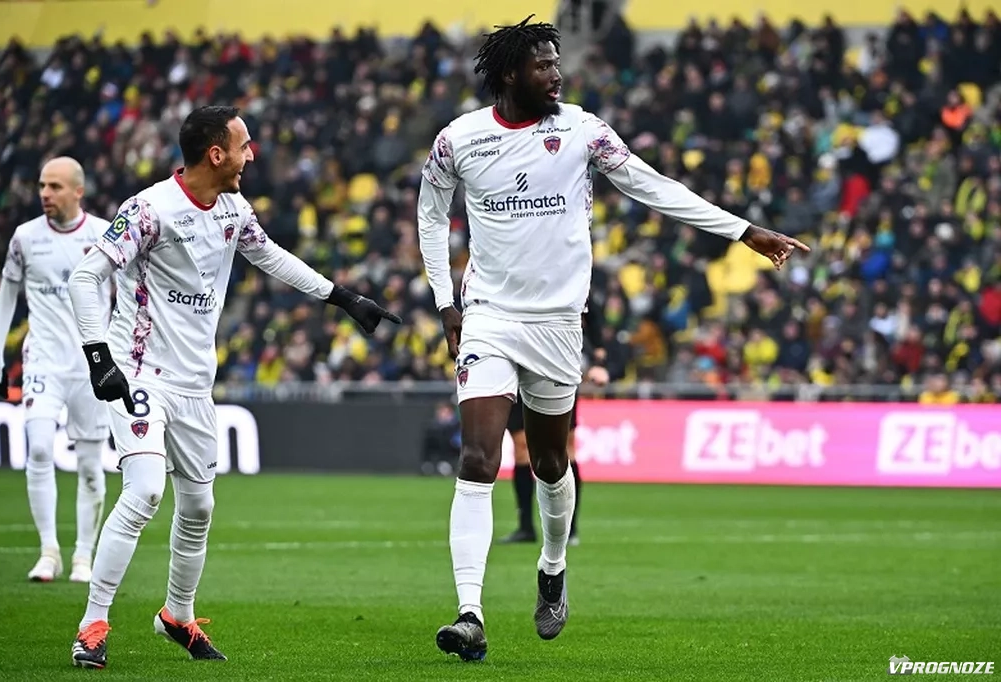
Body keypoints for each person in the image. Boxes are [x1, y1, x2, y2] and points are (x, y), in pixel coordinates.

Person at [417, 16, 808, 661]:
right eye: (544, 65)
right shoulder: (459, 140)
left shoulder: (583, 132)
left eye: (557, 62)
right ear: (511, 73)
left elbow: (655, 188)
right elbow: (431, 216)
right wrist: (445, 302)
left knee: (551, 464)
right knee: (479, 459)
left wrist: (743, 231)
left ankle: (552, 566)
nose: (557, 73)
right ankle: (469, 614)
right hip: (489, 316)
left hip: (557, 324)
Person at [66, 105, 401, 669]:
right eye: (245, 145)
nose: (252, 155)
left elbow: (272, 257)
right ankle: (93, 624)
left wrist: (343, 297)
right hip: (139, 371)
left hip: (196, 383)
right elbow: (85, 277)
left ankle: (178, 615)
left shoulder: (233, 209)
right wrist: (100, 358)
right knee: (145, 491)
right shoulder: (148, 210)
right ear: (216, 153)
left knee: (199, 505)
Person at [0, 157, 111, 584]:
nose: (45, 193)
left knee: (90, 466)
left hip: (91, 366)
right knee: (39, 449)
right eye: (42, 185)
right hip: (43, 361)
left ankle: (83, 556)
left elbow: (128, 294)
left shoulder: (104, 236)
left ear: (78, 191)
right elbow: (7, 294)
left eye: (55, 186)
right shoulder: (25, 237)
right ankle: (49, 551)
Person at [498, 293, 608, 546]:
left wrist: (599, 360)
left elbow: (591, 313)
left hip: (557, 362)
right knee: (521, 447)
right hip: (517, 362)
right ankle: (526, 527)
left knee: (565, 446)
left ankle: (570, 528)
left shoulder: (567, 278)